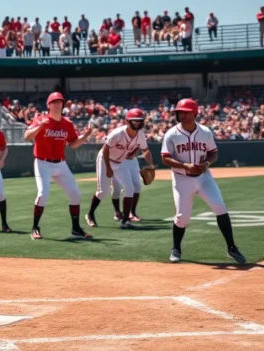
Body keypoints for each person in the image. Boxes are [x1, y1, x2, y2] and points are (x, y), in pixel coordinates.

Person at [161, 98, 246, 264]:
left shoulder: (205, 132)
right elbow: (165, 158)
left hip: (204, 177)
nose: (180, 115)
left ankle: (232, 247)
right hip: (182, 179)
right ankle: (176, 248)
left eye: (184, 112)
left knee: (220, 207)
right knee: (182, 218)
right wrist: (184, 165)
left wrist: (207, 163)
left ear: (194, 113)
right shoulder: (171, 134)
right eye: (179, 112)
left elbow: (213, 152)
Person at [23, 92, 94, 240]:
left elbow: (74, 144)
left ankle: (76, 229)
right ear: (48, 105)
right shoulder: (41, 119)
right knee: (43, 194)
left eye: (60, 102)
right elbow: (27, 136)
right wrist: (39, 128)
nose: (57, 105)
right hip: (43, 162)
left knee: (75, 194)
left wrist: (86, 136)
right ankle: (35, 228)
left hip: (60, 164)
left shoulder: (67, 124)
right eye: (54, 102)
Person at [87, 109, 155, 229]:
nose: (137, 123)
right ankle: (90, 214)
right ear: (128, 121)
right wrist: (108, 167)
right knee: (103, 191)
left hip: (120, 162)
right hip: (105, 160)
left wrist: (151, 165)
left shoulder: (140, 135)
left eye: (139, 121)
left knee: (130, 188)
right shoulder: (118, 133)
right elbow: (105, 149)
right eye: (135, 121)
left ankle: (125, 221)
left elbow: (145, 150)